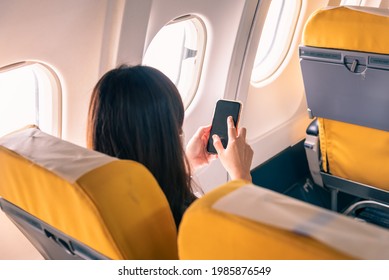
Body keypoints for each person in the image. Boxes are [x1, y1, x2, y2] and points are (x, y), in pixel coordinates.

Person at [87, 64, 253, 227]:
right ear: (165, 139)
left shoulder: (94, 199)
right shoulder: (187, 219)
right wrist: (241, 176)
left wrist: (187, 164)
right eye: (178, 131)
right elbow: (244, 245)